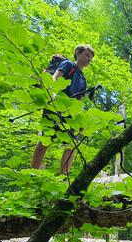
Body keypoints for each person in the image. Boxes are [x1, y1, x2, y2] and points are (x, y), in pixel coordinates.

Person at [31, 44, 95, 175]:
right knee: (45, 140)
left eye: (91, 58)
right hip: (55, 106)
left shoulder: (83, 79)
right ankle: (32, 173)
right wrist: (52, 92)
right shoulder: (68, 65)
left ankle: (64, 177)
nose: (89, 59)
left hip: (70, 114)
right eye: (87, 55)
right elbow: (55, 77)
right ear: (78, 53)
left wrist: (80, 120)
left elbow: (79, 101)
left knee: (71, 144)